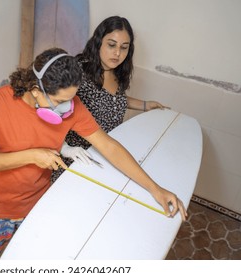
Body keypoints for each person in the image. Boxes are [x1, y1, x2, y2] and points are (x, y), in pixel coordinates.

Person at [0, 47, 186, 260]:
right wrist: (32, 155)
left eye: (72, 99)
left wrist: (155, 189)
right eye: (61, 101)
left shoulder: (72, 106)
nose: (67, 109)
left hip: (40, 201)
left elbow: (109, 146)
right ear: (35, 89)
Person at [54, 16, 169, 179]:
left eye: (124, 48)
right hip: (77, 158)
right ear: (99, 41)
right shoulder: (77, 72)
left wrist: (145, 105)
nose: (117, 53)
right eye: (111, 45)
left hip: (108, 155)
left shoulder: (117, 71)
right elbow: (52, 112)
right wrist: (63, 148)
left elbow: (114, 100)